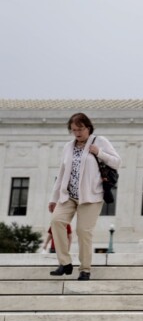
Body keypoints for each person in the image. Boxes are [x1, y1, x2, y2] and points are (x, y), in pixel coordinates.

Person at [48, 113, 121, 281]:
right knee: (56, 221)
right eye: (74, 130)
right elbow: (61, 173)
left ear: (88, 127)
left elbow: (117, 162)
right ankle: (65, 263)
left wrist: (99, 152)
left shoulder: (99, 141)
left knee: (83, 231)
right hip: (68, 196)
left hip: (90, 197)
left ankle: (85, 269)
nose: (77, 133)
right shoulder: (68, 147)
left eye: (80, 129)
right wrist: (54, 198)